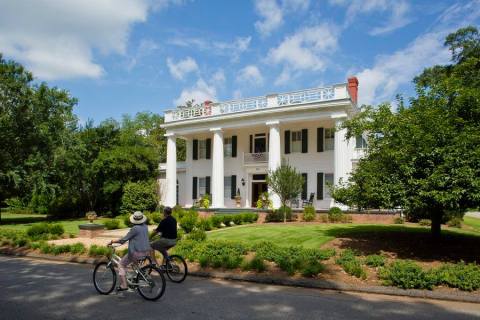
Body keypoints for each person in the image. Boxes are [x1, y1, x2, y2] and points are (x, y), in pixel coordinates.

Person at [110, 211, 150, 292]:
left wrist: (112, 241)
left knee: (121, 264)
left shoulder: (134, 229)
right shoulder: (145, 226)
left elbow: (123, 240)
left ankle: (124, 285)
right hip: (146, 252)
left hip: (136, 253)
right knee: (134, 265)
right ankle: (139, 276)